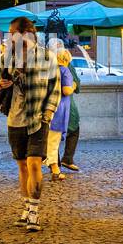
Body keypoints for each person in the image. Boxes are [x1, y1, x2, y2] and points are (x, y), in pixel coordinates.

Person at [0, 17, 60, 232]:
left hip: (37, 118)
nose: (9, 36)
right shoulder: (6, 57)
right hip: (14, 118)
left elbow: (55, 88)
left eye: (12, 32)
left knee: (34, 163)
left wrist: (48, 113)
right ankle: (25, 208)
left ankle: (34, 211)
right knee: (22, 165)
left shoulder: (47, 58)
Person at [45, 49, 77, 181]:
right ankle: (55, 170)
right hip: (58, 110)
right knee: (54, 141)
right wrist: (73, 86)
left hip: (47, 108)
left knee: (47, 139)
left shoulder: (49, 69)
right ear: (66, 59)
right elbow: (66, 90)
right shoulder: (65, 70)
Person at [60, 62, 81, 172]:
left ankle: (53, 163)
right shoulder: (67, 65)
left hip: (47, 105)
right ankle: (67, 158)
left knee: (52, 134)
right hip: (65, 105)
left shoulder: (45, 62)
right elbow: (76, 85)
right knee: (74, 129)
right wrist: (74, 86)